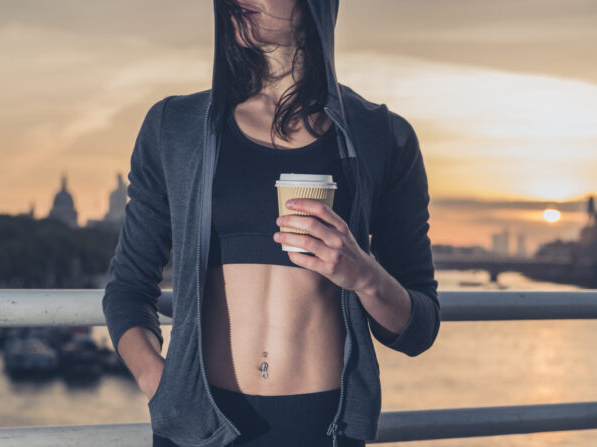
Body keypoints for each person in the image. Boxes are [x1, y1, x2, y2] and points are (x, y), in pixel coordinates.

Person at [101, 0, 441, 446]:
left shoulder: (383, 137)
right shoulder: (175, 128)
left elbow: (419, 327)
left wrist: (364, 275)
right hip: (200, 425)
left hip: (321, 427)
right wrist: (160, 384)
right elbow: (128, 287)